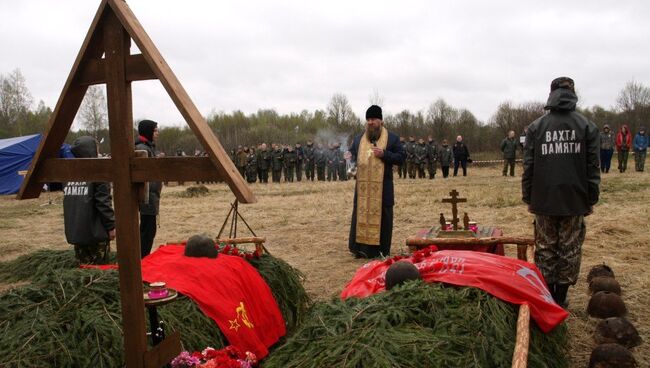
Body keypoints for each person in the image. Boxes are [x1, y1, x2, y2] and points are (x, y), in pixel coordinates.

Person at [522, 77, 600, 307]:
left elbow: (529, 167)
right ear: (572, 93)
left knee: (545, 248)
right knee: (569, 248)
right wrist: (591, 198)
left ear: (551, 94)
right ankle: (560, 298)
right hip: (574, 199)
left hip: (544, 199)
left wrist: (528, 197)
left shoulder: (536, 127)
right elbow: (592, 168)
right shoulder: (587, 126)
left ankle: (548, 297)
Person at [347, 105, 406, 258]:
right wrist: (348, 156)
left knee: (383, 219)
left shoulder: (392, 138)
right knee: (361, 215)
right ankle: (359, 250)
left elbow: (401, 158)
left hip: (383, 189)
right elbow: (352, 154)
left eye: (373, 119)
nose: (370, 122)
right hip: (363, 189)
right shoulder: (359, 139)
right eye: (368, 119)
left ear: (381, 121)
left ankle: (380, 251)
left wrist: (384, 154)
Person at [63, 136, 115, 264]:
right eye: (96, 149)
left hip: (77, 231)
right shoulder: (98, 172)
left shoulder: (69, 173)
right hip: (95, 234)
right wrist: (111, 226)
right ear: (90, 150)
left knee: (83, 269)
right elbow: (103, 202)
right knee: (99, 271)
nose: (99, 152)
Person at [135, 119, 163, 258]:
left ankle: (143, 257)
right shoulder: (143, 148)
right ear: (148, 131)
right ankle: (143, 259)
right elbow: (144, 176)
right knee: (147, 231)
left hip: (150, 196)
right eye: (155, 130)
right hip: (146, 197)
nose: (157, 133)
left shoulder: (148, 147)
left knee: (148, 230)